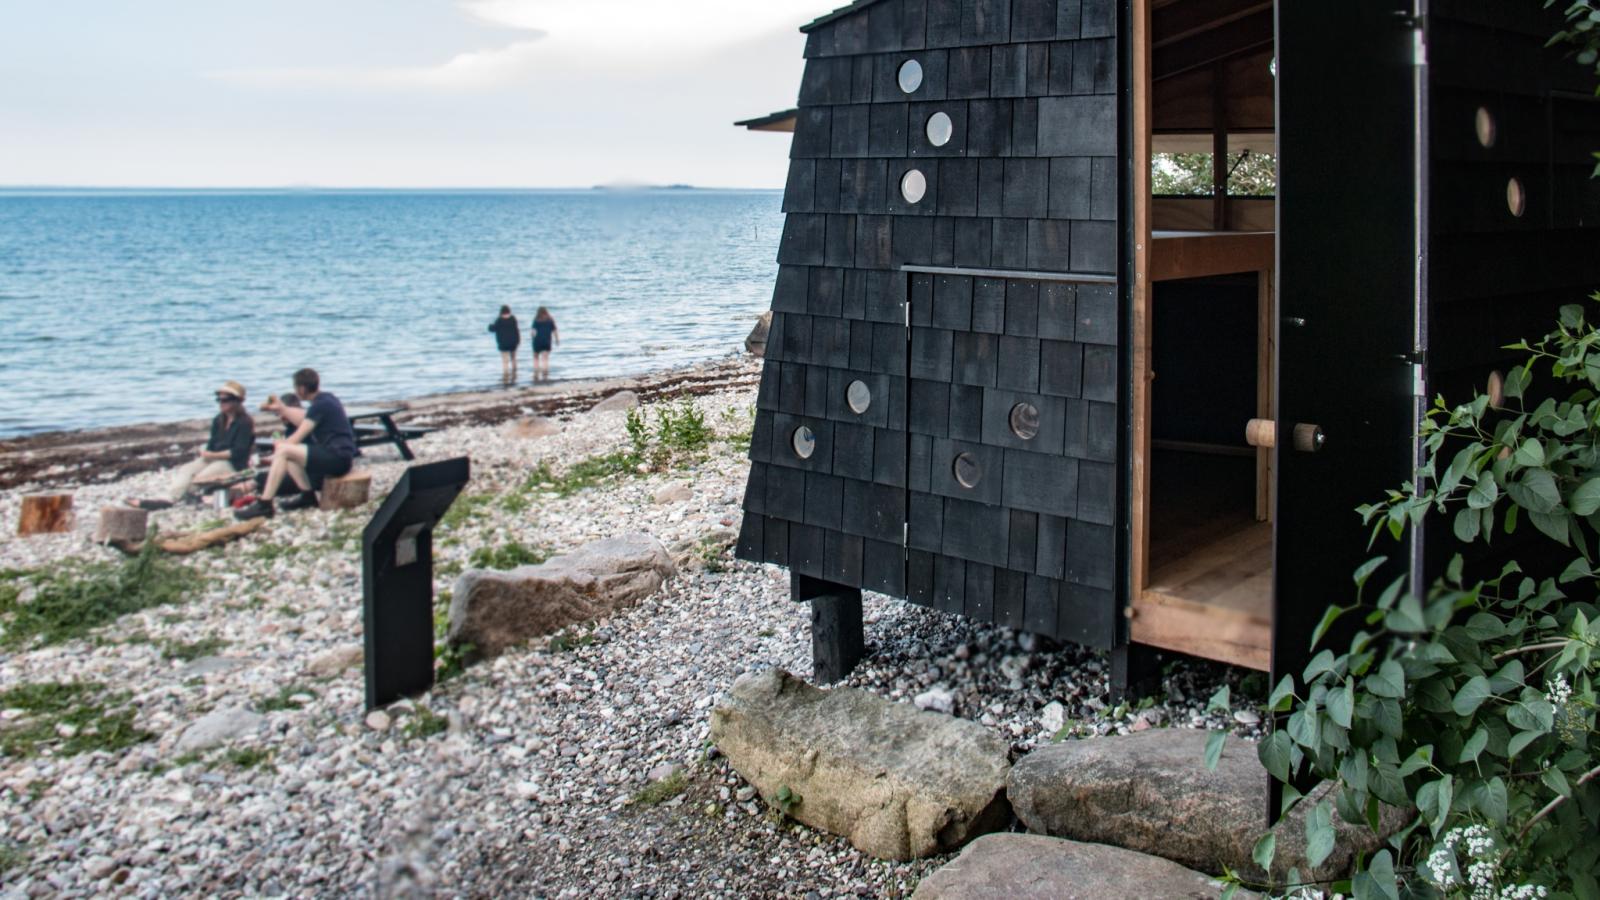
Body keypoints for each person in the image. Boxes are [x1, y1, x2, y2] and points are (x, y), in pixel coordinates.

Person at [235, 368, 357, 520]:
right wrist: (281, 408)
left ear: (301, 388)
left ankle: (265, 504)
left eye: (295, 388)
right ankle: (308, 497)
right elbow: (303, 419)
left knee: (285, 451)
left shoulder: (319, 405)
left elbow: (299, 435)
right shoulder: (327, 399)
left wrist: (275, 454)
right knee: (290, 455)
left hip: (338, 458)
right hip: (340, 455)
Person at [130, 381, 255, 510]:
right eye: (219, 399)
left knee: (202, 478)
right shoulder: (219, 419)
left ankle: (175, 501)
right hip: (213, 458)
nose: (221, 403)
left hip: (232, 463)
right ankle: (173, 497)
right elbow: (212, 444)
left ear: (237, 401)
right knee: (187, 470)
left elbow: (238, 452)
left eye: (226, 400)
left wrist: (211, 454)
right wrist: (207, 453)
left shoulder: (244, 422)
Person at [488, 304, 520, 385]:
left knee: (505, 361)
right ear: (509, 311)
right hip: (513, 342)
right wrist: (518, 341)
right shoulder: (513, 319)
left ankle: (506, 376)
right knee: (513, 359)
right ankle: (514, 375)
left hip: (503, 343)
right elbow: (516, 330)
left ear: (501, 312)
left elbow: (493, 329)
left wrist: (489, 326)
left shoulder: (499, 320)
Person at [531, 306, 559, 382]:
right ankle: (545, 373)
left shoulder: (536, 320)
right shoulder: (550, 320)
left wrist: (533, 340)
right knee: (545, 359)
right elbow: (555, 331)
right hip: (547, 342)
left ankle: (536, 373)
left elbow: (533, 332)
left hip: (537, 341)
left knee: (536, 358)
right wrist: (557, 340)